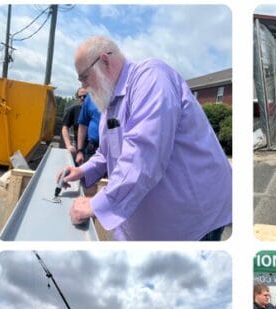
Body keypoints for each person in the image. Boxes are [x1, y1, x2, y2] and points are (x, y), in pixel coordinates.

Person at [59, 36, 232, 241]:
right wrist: (82, 170)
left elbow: (143, 155)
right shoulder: (110, 103)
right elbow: (108, 154)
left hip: (192, 223)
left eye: (85, 78)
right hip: (151, 228)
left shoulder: (151, 77)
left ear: (104, 61)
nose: (85, 87)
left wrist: (95, 204)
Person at [61, 88, 88, 159]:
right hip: (79, 148)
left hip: (94, 149)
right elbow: (65, 128)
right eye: (80, 96)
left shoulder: (97, 110)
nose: (82, 98)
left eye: (85, 96)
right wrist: (68, 145)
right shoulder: (74, 110)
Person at [76, 93, 102, 164]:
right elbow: (83, 125)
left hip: (115, 149)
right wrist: (80, 151)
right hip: (93, 149)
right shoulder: (90, 97)